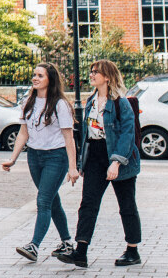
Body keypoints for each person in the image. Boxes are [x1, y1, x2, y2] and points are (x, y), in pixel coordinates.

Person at [58, 59, 142, 268]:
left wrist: (115, 162)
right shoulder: (91, 101)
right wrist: (80, 164)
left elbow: (127, 135)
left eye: (96, 72)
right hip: (95, 154)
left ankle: (133, 250)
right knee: (88, 204)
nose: (92, 75)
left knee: (127, 205)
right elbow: (87, 135)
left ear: (107, 76)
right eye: (91, 71)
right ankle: (81, 251)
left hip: (117, 155)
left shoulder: (120, 103)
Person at [1, 63, 80, 262]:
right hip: (34, 157)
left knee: (43, 200)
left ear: (50, 79)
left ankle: (34, 246)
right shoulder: (29, 101)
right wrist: (13, 158)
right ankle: (67, 243)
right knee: (52, 200)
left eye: (40, 75)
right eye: (34, 75)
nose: (35, 78)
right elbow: (23, 133)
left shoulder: (60, 104)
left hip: (56, 157)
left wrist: (72, 167)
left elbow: (68, 138)